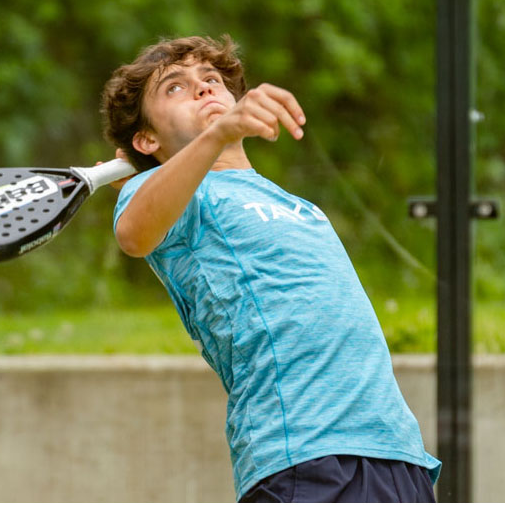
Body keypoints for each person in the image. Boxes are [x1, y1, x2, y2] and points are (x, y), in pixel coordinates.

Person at [100, 35, 441, 503]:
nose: (203, 87)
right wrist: (211, 137)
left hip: (395, 453)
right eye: (175, 87)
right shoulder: (162, 193)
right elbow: (134, 235)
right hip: (303, 455)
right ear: (146, 139)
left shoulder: (298, 205)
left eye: (212, 78)